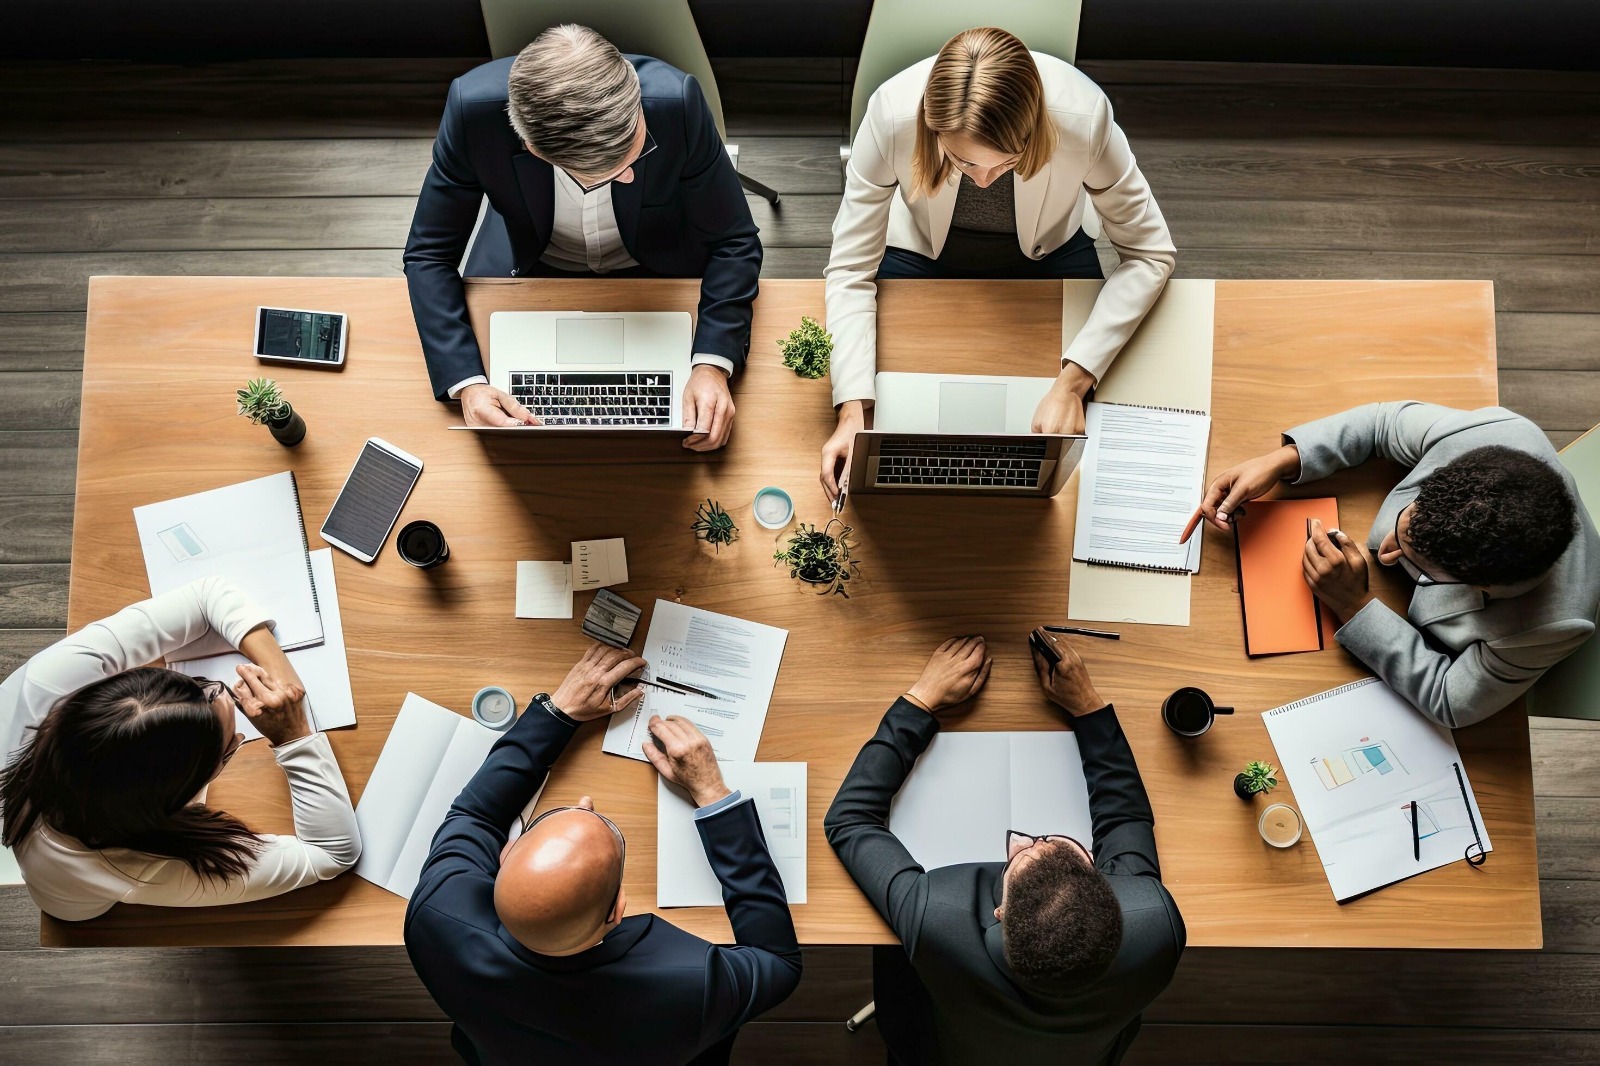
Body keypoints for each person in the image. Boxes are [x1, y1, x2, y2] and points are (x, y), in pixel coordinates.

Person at [819, 26, 1176, 501]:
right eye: (963, 163)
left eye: (1006, 163)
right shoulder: (891, 114)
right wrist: (852, 410)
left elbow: (1151, 252)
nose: (984, 183)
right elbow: (849, 269)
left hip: (1049, 254)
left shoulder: (1085, 116)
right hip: (921, 253)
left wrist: (1073, 381)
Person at [405, 643, 802, 1066]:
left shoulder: (435, 916)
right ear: (617, 910)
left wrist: (557, 714)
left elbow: (474, 813)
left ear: (504, 857)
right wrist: (712, 793)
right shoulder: (690, 986)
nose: (587, 800)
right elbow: (778, 961)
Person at [825, 633, 1185, 1065]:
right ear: (1100, 876)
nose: (1021, 840)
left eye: (1016, 859)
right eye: (1047, 843)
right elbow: (1125, 819)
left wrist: (920, 701)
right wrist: (1087, 706)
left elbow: (849, 819)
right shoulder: (1155, 921)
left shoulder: (938, 918)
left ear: (999, 913)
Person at [403, 23, 761, 451]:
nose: (630, 175)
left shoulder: (677, 102)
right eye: (608, 175)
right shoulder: (471, 110)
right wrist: (469, 383)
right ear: (537, 151)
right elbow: (429, 254)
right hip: (527, 268)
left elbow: (735, 241)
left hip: (659, 270)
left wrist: (711, 365)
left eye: (636, 153)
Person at [1196, 401, 1600, 728]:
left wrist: (1354, 604)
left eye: (1416, 561)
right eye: (1409, 515)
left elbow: (1449, 701)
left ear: (1484, 588)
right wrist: (1285, 459)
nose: (1385, 550)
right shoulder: (1496, 433)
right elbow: (1382, 424)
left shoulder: (1552, 626)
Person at [0, 577, 360, 921]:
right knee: (74, 913)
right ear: (181, 793)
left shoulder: (51, 679)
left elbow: (207, 595)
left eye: (200, 684)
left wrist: (286, 681)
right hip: (70, 899)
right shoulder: (134, 869)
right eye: (231, 746)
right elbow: (331, 854)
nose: (223, 695)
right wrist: (293, 735)